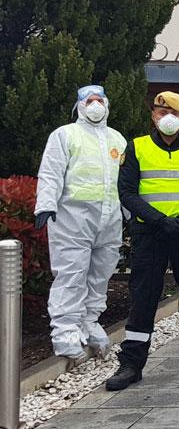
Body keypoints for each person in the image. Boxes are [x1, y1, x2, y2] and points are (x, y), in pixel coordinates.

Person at [107, 92, 179, 390]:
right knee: (143, 297)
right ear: (153, 116)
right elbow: (127, 192)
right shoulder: (136, 147)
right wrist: (159, 219)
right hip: (150, 234)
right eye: (161, 112)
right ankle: (131, 364)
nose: (167, 117)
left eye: (174, 112)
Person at [34, 85, 127, 359]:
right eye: (89, 100)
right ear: (80, 106)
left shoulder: (117, 139)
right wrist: (46, 204)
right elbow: (51, 171)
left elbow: (125, 178)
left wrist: (132, 210)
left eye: (100, 100)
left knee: (100, 274)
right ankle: (65, 331)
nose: (95, 104)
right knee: (72, 274)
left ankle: (89, 321)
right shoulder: (65, 135)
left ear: (107, 105)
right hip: (72, 217)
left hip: (109, 217)